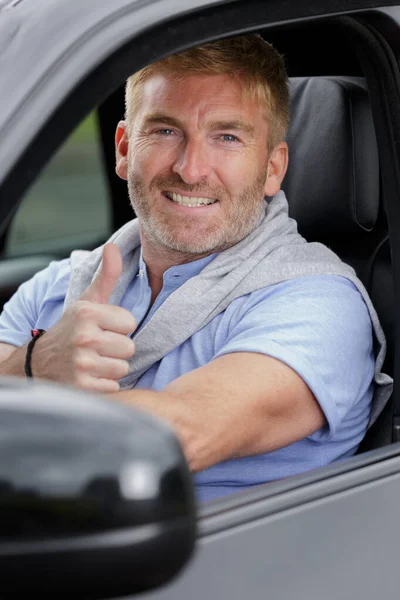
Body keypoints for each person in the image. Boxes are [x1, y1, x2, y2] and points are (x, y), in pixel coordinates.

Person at [0, 35, 392, 503]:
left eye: (227, 137)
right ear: (124, 149)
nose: (190, 169)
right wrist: (36, 364)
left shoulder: (319, 305)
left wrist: (29, 376)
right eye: (165, 131)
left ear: (272, 168)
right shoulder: (62, 284)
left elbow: (171, 436)